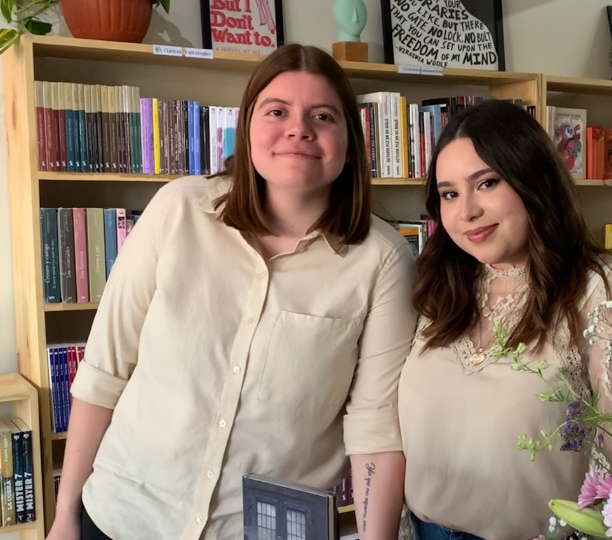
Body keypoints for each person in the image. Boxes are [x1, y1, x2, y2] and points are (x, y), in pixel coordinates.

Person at [48, 44, 414, 540]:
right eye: (277, 111)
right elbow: (103, 371)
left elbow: (375, 432)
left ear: (350, 139)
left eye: (323, 116)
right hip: (122, 518)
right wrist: (65, 514)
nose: (299, 128)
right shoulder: (177, 211)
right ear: (247, 127)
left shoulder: (384, 259)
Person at [398, 99, 612, 540]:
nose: (466, 210)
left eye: (486, 183)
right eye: (449, 193)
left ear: (534, 181)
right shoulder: (436, 286)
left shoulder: (601, 288)